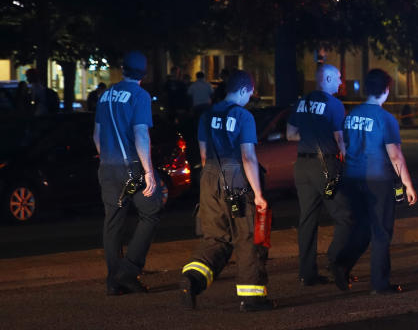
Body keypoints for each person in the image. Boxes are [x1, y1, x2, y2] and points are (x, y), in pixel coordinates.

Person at [180, 70, 272, 311]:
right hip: (237, 180)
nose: (250, 97)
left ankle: (192, 279)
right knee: (248, 238)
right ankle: (252, 299)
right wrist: (259, 195)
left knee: (216, 237)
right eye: (250, 92)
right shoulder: (243, 116)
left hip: (209, 179)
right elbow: (248, 158)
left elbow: (202, 154)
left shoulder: (206, 115)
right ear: (243, 90)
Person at [339, 69, 417, 294]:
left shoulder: (352, 114)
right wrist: (407, 185)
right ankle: (380, 283)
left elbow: (344, 146)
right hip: (378, 180)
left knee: (362, 228)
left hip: (353, 178)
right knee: (381, 232)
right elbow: (395, 156)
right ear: (386, 90)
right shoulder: (386, 119)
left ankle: (341, 264)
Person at [93, 51, 162, 295]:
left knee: (112, 223)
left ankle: (114, 281)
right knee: (151, 210)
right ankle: (129, 270)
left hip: (108, 168)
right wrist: (149, 171)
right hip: (131, 169)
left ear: (123, 70)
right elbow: (141, 134)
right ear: (143, 74)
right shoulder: (140, 96)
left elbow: (97, 136)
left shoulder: (105, 95)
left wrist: (108, 158)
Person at [286, 64, 354, 289]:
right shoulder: (334, 105)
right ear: (327, 78)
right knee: (344, 215)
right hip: (325, 167)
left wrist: (311, 137)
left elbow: (290, 134)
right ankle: (335, 262)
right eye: (338, 78)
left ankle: (307, 273)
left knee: (307, 219)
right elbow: (339, 140)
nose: (341, 82)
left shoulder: (301, 102)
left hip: (302, 167)